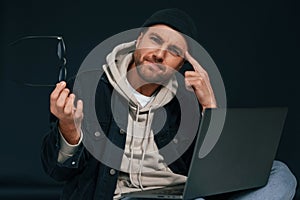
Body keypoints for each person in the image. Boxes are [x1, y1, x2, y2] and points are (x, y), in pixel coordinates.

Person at [41, 8, 297, 200]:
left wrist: (211, 106)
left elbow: (219, 175)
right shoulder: (90, 85)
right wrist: (69, 131)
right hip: (126, 197)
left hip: (186, 196)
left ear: (181, 63)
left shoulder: (186, 98)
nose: (161, 53)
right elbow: (57, 172)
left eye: (174, 51)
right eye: (155, 40)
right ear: (139, 39)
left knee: (281, 174)